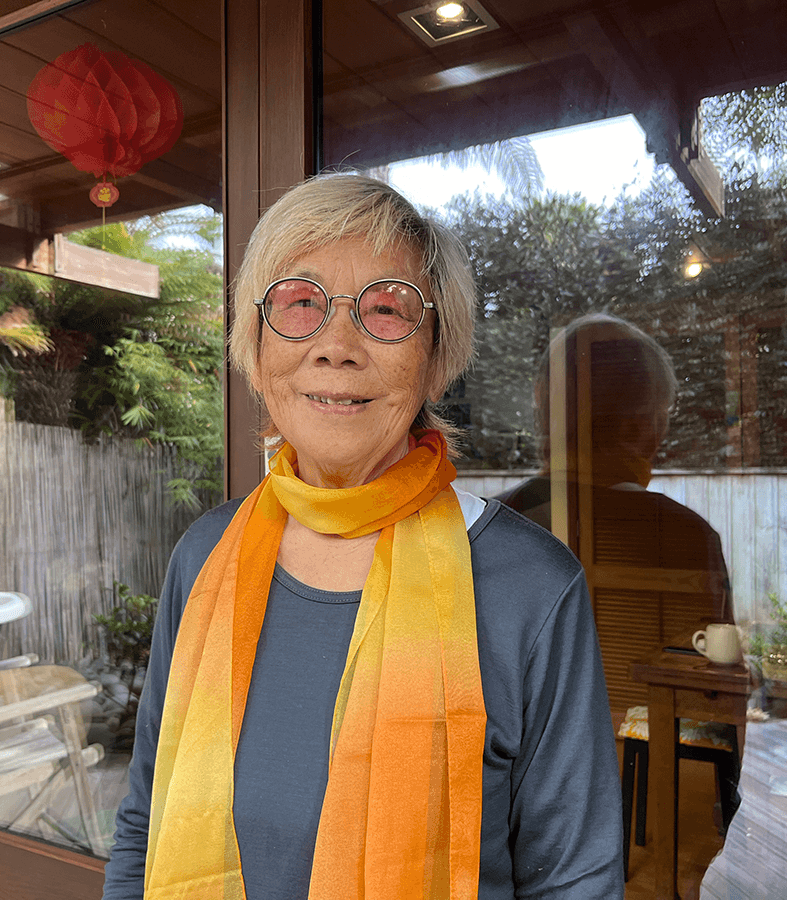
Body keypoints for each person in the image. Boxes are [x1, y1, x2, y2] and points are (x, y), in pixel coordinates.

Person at [101, 175, 623, 900]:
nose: (336, 346)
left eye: (385, 309)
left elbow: (575, 882)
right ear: (255, 345)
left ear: (437, 356)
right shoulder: (204, 556)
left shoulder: (530, 587)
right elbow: (144, 824)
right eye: (300, 303)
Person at [497, 314, 733, 710]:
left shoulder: (490, 527)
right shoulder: (688, 538)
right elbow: (712, 707)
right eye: (662, 413)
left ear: (542, 403)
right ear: (646, 425)